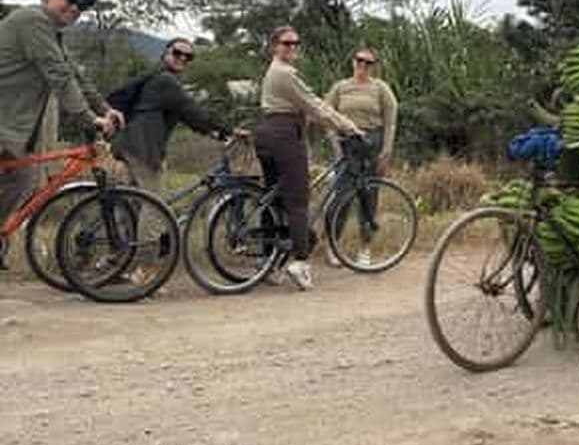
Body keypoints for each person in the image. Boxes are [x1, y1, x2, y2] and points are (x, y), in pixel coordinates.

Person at [0, 0, 121, 225]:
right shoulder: (33, 21)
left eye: (82, 6)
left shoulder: (53, 34)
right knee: (23, 179)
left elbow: (75, 75)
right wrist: (90, 119)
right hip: (5, 124)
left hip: (12, 128)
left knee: (25, 179)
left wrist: (105, 109)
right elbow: (60, 76)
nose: (75, 8)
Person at [255, 26, 361, 291]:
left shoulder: (273, 71)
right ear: (274, 46)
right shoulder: (285, 73)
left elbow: (309, 106)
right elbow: (314, 104)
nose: (292, 47)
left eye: (296, 43)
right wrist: (347, 126)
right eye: (286, 43)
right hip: (285, 135)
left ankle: (268, 263)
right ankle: (301, 263)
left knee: (273, 199)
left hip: (267, 133)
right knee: (298, 200)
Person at [111, 38, 233, 196]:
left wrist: (215, 133)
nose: (182, 58)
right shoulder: (166, 81)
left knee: (135, 200)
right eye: (177, 53)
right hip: (141, 150)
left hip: (133, 145)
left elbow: (187, 117)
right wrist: (229, 130)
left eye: (188, 56)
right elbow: (194, 112)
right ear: (165, 54)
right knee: (152, 204)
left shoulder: (157, 76)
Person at [324, 47, 398, 266]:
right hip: (346, 143)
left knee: (369, 196)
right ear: (353, 62)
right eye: (359, 61)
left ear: (373, 66)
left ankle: (365, 246)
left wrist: (386, 151)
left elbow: (390, 121)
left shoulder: (380, 88)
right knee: (342, 195)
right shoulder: (340, 87)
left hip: (371, 143)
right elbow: (327, 114)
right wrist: (335, 144)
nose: (363, 66)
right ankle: (332, 245)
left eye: (368, 63)